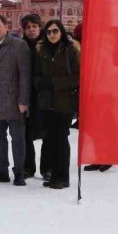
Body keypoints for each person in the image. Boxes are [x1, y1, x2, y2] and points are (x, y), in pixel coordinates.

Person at [0, 15, 30, 186]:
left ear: (6, 26)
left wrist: (23, 100)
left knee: (17, 138)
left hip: (15, 100)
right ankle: (2, 170)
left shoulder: (18, 45)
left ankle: (19, 172)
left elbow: (25, 75)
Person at [34, 19, 80, 189]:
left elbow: (77, 77)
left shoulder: (70, 51)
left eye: (55, 31)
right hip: (47, 102)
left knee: (61, 138)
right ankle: (53, 173)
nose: (52, 35)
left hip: (65, 102)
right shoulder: (42, 51)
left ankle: (63, 177)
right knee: (51, 138)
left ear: (61, 32)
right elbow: (36, 75)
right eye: (49, 32)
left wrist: (55, 83)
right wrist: (40, 83)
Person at [20, 13, 45, 179]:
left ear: (39, 27)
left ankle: (47, 168)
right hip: (25, 96)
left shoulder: (48, 44)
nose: (31, 30)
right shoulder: (19, 46)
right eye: (28, 27)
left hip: (45, 95)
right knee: (25, 134)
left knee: (47, 134)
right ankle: (28, 167)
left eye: (34, 26)